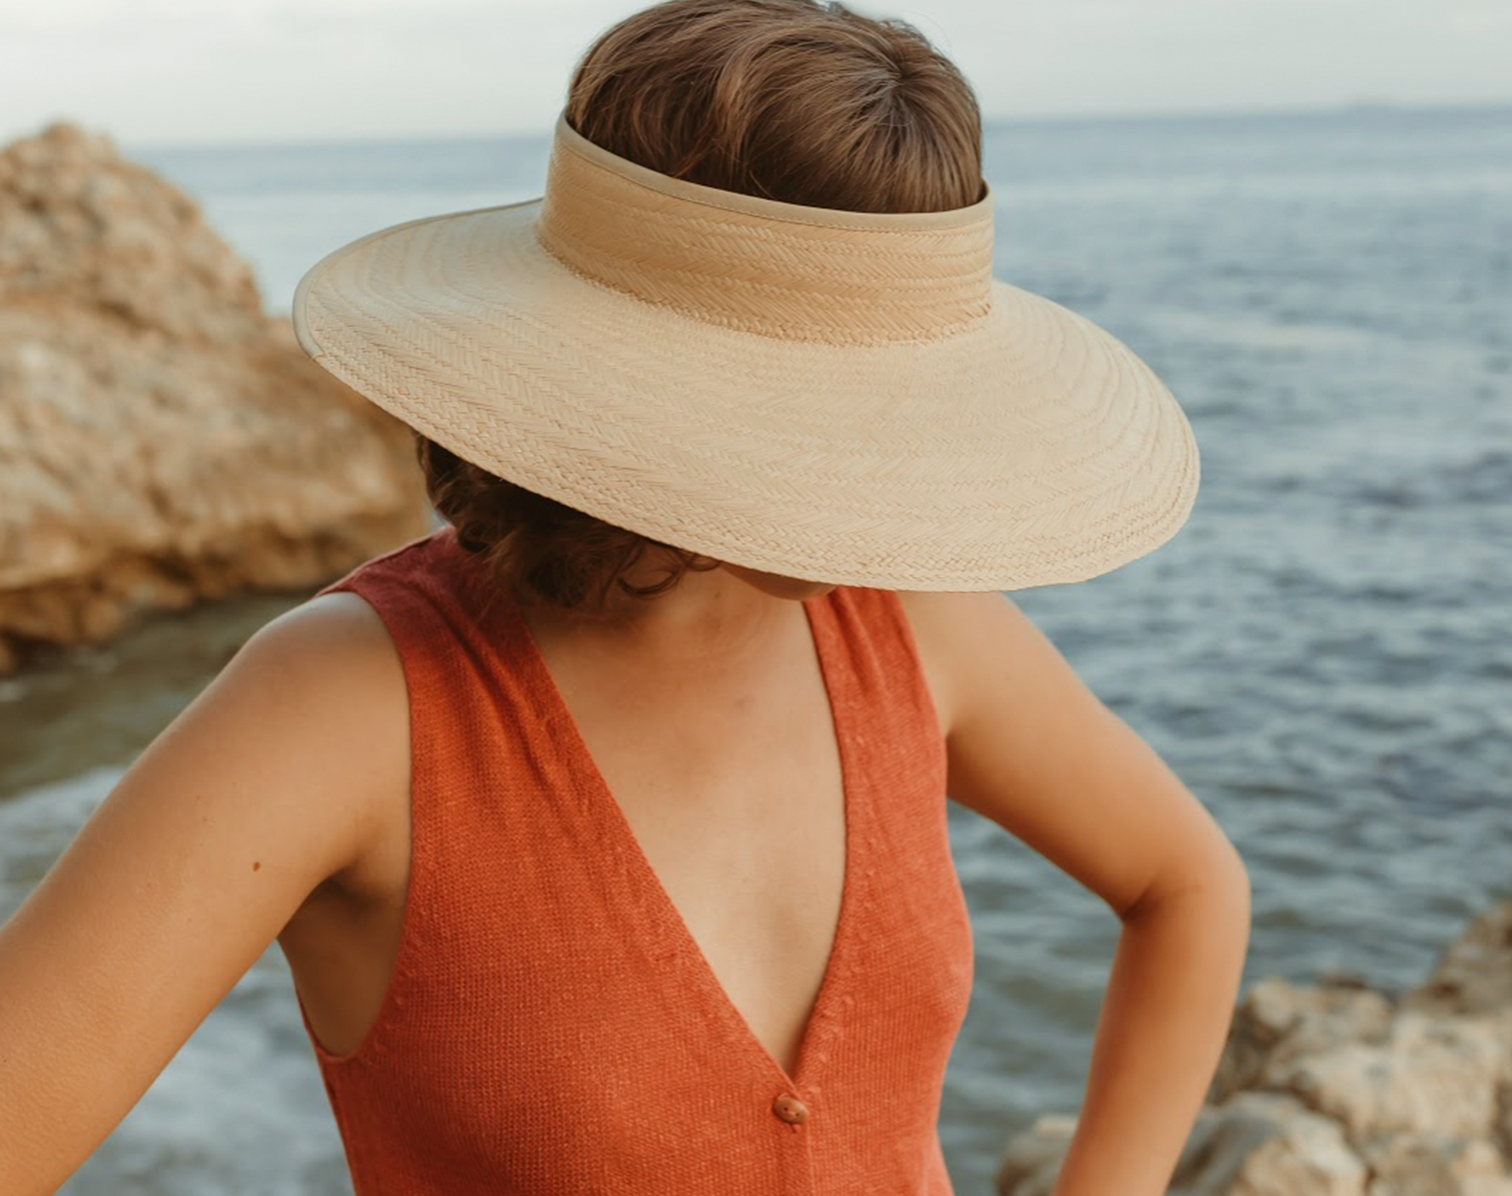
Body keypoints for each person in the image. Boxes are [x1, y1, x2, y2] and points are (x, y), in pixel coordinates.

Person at [0, 1, 1250, 1193]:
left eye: (893, 392)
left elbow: (1187, 886)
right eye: (818, 394)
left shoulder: (903, 627)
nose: (875, 456)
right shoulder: (344, 704)